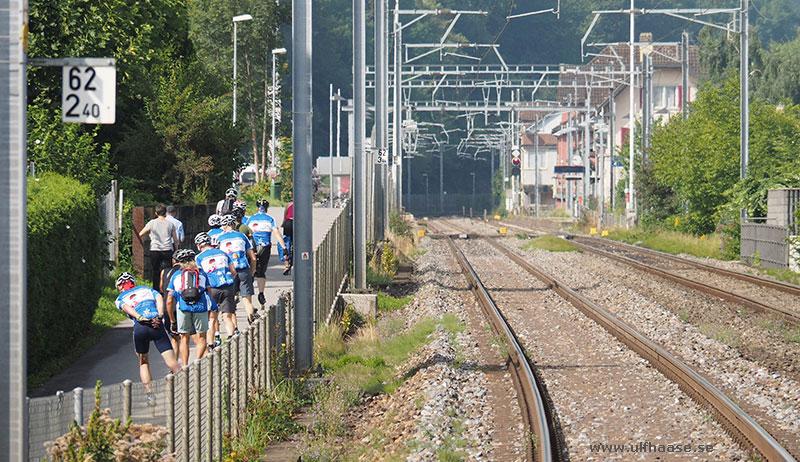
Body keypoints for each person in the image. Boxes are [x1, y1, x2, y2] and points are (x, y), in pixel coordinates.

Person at [114, 272, 181, 400]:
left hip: (141, 327)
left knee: (143, 363)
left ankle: (150, 394)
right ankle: (186, 385)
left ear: (121, 286)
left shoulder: (120, 298)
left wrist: (139, 317)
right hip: (156, 324)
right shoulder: (147, 289)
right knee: (172, 362)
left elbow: (126, 307)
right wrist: (160, 315)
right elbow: (159, 298)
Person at [166, 249, 217, 365]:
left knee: (184, 338)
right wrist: (209, 312)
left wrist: (172, 320)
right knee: (202, 337)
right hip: (200, 307)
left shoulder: (176, 276)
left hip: (183, 308)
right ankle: (197, 362)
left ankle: (184, 366)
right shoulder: (202, 274)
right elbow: (209, 294)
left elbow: (169, 300)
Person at [195, 232, 240, 343]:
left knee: (212, 318)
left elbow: (199, 275)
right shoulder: (223, 254)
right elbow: (233, 271)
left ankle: (211, 344)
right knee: (227, 317)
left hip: (212, 288)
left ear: (199, 245)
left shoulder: (199, 257)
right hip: (227, 287)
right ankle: (231, 340)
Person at [217, 214, 259, 324]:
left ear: (224, 226)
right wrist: (252, 272)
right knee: (247, 298)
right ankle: (251, 319)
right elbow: (253, 257)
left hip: (230, 272)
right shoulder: (242, 236)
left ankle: (234, 329)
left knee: (231, 300)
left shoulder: (220, 239)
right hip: (244, 269)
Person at [245, 199, 287, 308]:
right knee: (261, 272)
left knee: (251, 271)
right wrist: (284, 248)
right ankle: (261, 293)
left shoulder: (251, 219)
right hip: (265, 247)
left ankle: (248, 296)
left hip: (253, 247)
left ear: (257, 208)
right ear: (267, 209)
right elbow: (277, 233)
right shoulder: (270, 219)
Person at [139, 205, 179, 288]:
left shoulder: (152, 223)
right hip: (168, 249)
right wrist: (176, 250)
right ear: (165, 213)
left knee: (156, 271)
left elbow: (141, 233)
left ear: (156, 213)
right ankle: (166, 287)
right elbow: (175, 239)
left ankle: (156, 289)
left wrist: (150, 235)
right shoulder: (170, 224)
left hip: (155, 249)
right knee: (167, 270)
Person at [280, 201, 294, 276]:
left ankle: (286, 265)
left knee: (286, 243)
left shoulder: (288, 204)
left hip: (288, 223)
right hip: (297, 223)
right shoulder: (302, 205)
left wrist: (283, 223)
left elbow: (285, 216)